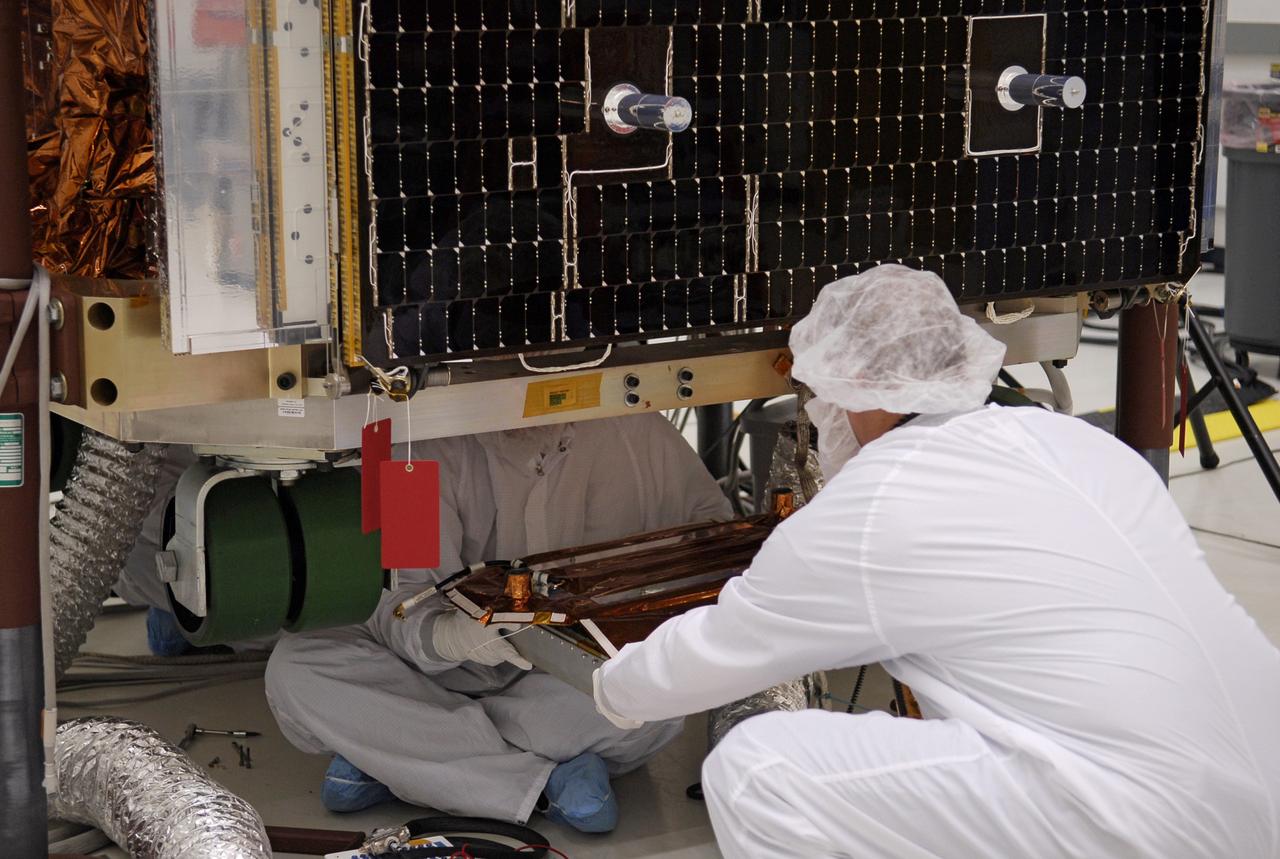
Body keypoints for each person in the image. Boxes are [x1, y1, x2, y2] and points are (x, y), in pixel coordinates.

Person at [594, 265, 1280, 858]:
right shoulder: (1075, 444)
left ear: (857, 387)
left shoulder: (874, 506)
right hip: (1263, 788)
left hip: (1144, 822)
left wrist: (604, 686)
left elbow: (714, 653)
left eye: (819, 394)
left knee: (755, 769)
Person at [265, 413, 732, 832]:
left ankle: (400, 758)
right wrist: (450, 638)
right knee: (299, 668)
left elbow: (713, 536)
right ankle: (546, 782)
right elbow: (400, 598)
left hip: (563, 682)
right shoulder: (421, 442)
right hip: (429, 672)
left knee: (657, 694)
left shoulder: (633, 425)